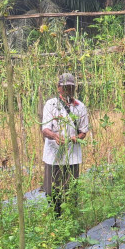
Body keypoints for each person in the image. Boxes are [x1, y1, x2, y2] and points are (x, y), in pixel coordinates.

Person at [41, 72, 89, 216]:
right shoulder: (51, 104)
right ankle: (56, 216)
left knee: (71, 188)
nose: (68, 90)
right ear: (59, 88)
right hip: (53, 154)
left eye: (71, 87)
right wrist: (55, 136)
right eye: (65, 87)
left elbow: (83, 131)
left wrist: (76, 138)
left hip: (72, 155)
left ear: (74, 89)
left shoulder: (80, 107)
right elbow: (45, 129)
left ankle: (71, 216)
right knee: (51, 189)